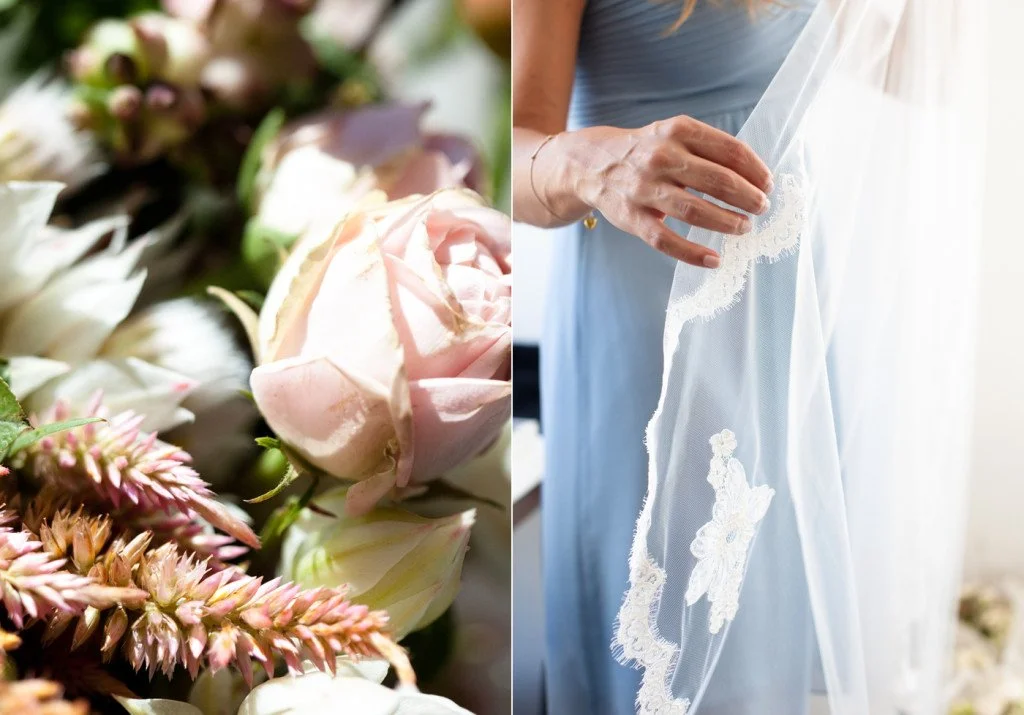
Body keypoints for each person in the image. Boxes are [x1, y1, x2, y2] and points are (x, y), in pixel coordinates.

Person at [512, 1, 814, 712]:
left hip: (782, 297)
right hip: (653, 307)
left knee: (765, 616)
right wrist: (591, 165)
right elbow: (517, 139)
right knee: (667, 638)